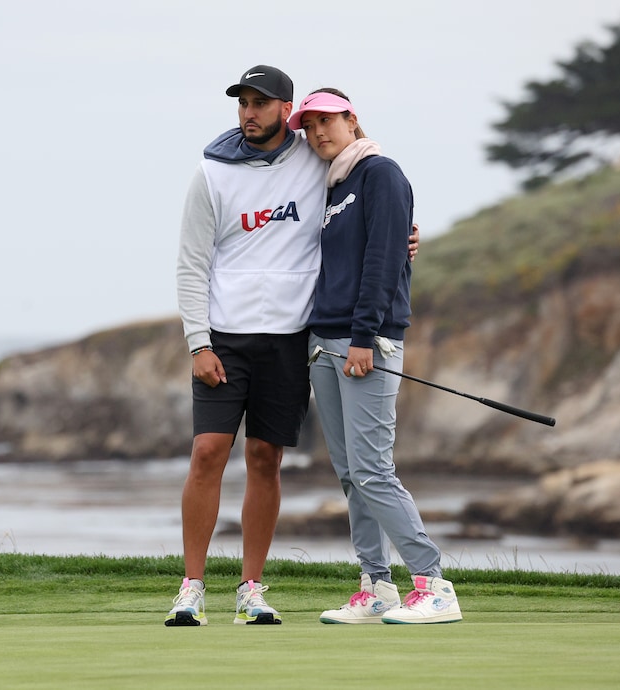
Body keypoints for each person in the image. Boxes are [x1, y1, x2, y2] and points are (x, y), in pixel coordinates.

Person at [169, 66, 419, 627]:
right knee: (208, 452)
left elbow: (366, 209)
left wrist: (406, 233)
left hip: (291, 339)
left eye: (261, 103)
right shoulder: (211, 172)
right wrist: (197, 341)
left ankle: (251, 589)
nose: (248, 113)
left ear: (288, 111)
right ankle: (190, 587)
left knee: (265, 459)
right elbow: (191, 264)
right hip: (223, 339)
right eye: (242, 104)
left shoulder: (318, 161)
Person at [293, 88, 462, 624]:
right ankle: (376, 585)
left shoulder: (380, 173)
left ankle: (433, 584)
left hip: (366, 341)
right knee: (349, 473)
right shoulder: (327, 187)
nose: (318, 132)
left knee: (372, 469)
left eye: (327, 121)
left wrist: (364, 337)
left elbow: (384, 260)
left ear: (351, 120)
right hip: (323, 342)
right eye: (310, 125)